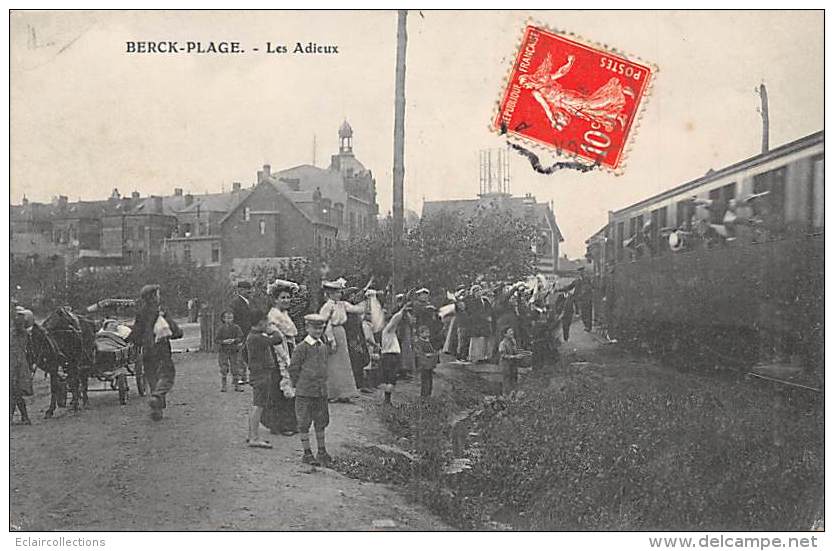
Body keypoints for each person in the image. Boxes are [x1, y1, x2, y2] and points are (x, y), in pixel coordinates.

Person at [127, 284, 183, 421]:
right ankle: (158, 396)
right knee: (167, 375)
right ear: (153, 296)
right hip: (162, 349)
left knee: (152, 377)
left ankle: (156, 410)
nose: (159, 296)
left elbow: (136, 333)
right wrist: (177, 332)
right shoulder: (161, 311)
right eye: (158, 294)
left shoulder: (141, 312)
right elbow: (174, 331)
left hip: (147, 350)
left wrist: (129, 339)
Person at [289, 314, 332, 466]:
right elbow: (293, 368)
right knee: (304, 422)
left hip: (320, 392)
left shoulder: (323, 346)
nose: (318, 331)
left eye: (320, 328)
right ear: (307, 328)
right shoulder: (301, 348)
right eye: (314, 328)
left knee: (321, 421)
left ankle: (321, 451)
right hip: (305, 392)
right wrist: (298, 385)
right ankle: (307, 453)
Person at [319, 279, 366, 402]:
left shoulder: (342, 304)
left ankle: (345, 393)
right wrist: (331, 339)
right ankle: (333, 393)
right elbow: (326, 323)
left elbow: (356, 309)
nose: (340, 294)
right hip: (333, 333)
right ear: (330, 294)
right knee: (334, 363)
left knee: (344, 363)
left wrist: (367, 299)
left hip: (341, 332)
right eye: (337, 292)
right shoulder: (327, 306)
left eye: (340, 292)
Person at [264, 279, 300, 436]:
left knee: (291, 385)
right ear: (275, 300)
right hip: (278, 354)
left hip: (289, 349)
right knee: (280, 387)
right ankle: (280, 425)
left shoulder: (285, 314)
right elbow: (277, 341)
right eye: (282, 298)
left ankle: (290, 423)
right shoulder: (273, 316)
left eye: (288, 297)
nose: (286, 300)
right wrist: (286, 359)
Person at [243, 309, 283, 449]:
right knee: (259, 405)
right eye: (266, 322)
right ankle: (254, 437)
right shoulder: (257, 337)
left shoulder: (253, 336)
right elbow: (278, 339)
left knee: (257, 405)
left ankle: (251, 435)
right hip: (262, 374)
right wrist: (274, 330)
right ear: (261, 322)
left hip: (258, 373)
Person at [380, 304, 408, 405]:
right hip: (391, 356)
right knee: (391, 379)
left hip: (387, 356)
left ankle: (387, 400)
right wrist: (403, 308)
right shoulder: (388, 331)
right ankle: (387, 401)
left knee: (389, 379)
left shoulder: (385, 332)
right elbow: (395, 320)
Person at [10, 306, 34, 425]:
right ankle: (23, 417)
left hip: (17, 366)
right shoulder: (13, 332)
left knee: (14, 391)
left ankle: (21, 417)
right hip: (13, 364)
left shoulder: (21, 333)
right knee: (13, 392)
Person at [229, 280, 255, 385]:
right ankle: (239, 377)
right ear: (240, 290)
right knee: (239, 355)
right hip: (240, 332)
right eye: (246, 289)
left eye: (250, 289)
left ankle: (245, 376)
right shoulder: (235, 303)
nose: (249, 291)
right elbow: (232, 319)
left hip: (249, 332)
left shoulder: (250, 302)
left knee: (247, 354)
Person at [215, 310, 244, 392]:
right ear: (223, 319)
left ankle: (237, 385)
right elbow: (216, 339)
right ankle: (224, 385)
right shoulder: (221, 328)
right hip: (223, 351)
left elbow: (241, 337)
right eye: (227, 318)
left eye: (230, 318)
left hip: (234, 350)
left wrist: (234, 340)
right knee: (224, 368)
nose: (229, 320)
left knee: (235, 368)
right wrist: (223, 341)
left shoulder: (236, 327)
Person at [465, 285, 492, 362]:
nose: (479, 293)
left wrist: (488, 316)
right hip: (476, 323)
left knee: (484, 340)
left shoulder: (485, 301)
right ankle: (475, 357)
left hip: (484, 324)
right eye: (477, 291)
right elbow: (472, 313)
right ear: (473, 293)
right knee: (476, 340)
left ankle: (483, 357)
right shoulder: (472, 302)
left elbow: (489, 310)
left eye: (480, 291)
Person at [413, 324, 439, 399]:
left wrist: (434, 353)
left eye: (428, 332)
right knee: (425, 379)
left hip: (429, 364)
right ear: (421, 333)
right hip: (424, 364)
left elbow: (432, 350)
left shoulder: (428, 342)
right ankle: (424, 394)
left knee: (430, 379)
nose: (428, 334)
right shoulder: (419, 342)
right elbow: (419, 353)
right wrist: (427, 355)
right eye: (426, 332)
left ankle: (428, 394)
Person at [498, 326, 526, 395]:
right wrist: (515, 356)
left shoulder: (513, 341)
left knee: (514, 378)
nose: (512, 333)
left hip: (513, 363)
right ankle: (505, 395)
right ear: (505, 334)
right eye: (510, 331)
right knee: (507, 379)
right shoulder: (502, 344)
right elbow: (503, 355)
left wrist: (522, 353)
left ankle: (513, 395)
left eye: (512, 331)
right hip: (505, 364)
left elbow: (515, 351)